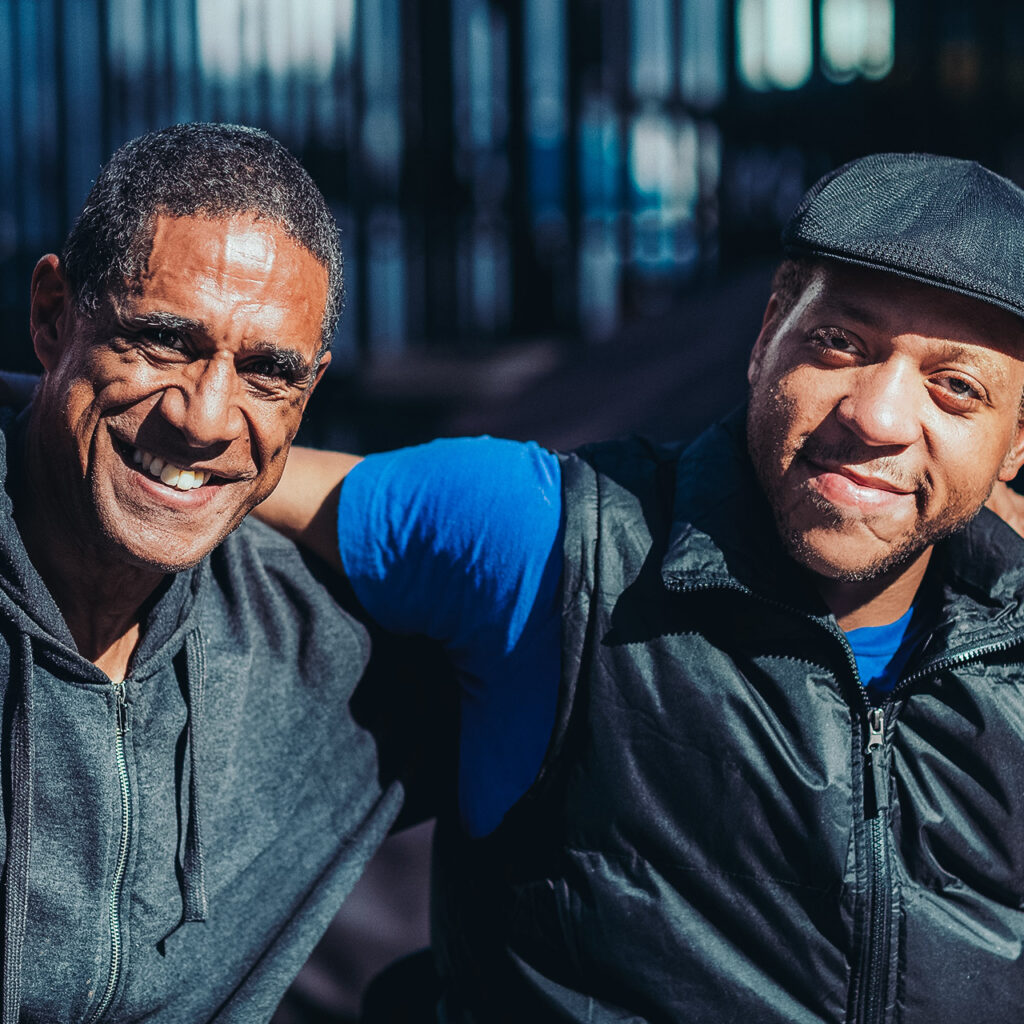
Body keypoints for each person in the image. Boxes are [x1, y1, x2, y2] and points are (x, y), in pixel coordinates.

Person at [259, 153, 1024, 1023]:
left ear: (1015, 445)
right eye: (839, 342)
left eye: (955, 388)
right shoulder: (554, 538)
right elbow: (221, 472)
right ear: (769, 329)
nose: (877, 416)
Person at [0, 123, 436, 1024]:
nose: (206, 418)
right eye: (162, 341)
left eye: (268, 374)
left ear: (309, 391)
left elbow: (572, 556)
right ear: (52, 317)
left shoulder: (327, 649)